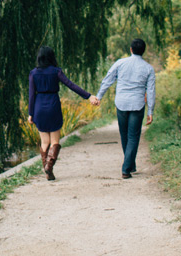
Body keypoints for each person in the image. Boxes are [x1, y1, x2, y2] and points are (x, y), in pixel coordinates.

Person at [27, 45, 100, 180]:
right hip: (53, 105)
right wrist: (88, 96)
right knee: (54, 140)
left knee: (45, 142)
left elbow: (31, 95)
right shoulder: (56, 71)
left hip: (39, 107)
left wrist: (31, 113)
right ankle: (49, 166)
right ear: (51, 57)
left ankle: (46, 169)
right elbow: (71, 85)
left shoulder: (33, 73)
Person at [93, 38, 156, 179]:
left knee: (125, 135)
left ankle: (128, 165)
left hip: (121, 103)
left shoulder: (120, 63)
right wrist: (150, 111)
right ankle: (127, 168)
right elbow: (151, 91)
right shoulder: (148, 68)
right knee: (133, 136)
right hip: (137, 104)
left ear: (131, 49)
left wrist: (99, 96)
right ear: (143, 51)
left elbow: (107, 79)